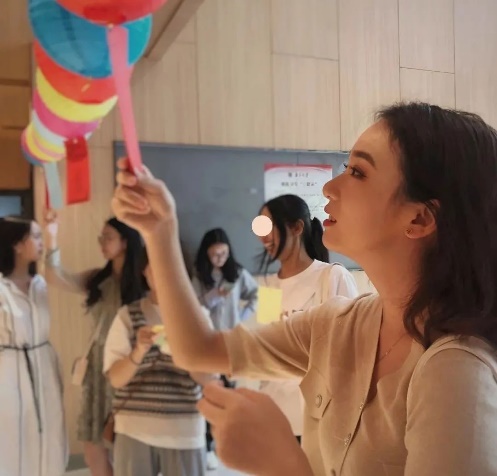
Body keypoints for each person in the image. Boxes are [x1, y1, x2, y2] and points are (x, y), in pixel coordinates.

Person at [111, 102, 497, 476]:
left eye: (358, 172)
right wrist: (160, 231)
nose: (329, 187)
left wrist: (282, 462)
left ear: (419, 218)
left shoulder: (455, 371)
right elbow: (200, 348)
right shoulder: (333, 323)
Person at [44, 215, 144, 476]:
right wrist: (51, 235)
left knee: (127, 445)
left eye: (108, 238)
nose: (102, 243)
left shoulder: (144, 282)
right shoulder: (98, 279)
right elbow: (55, 276)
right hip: (98, 367)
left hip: (131, 367)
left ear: (125, 241)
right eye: (101, 237)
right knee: (92, 444)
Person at [104, 247, 216, 476]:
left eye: (170, 265)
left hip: (184, 430)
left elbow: (209, 379)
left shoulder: (198, 317)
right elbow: (115, 379)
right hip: (134, 428)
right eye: (155, 265)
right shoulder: (127, 316)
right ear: (144, 271)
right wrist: (138, 351)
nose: (163, 272)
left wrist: (184, 352)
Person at [256, 194, 359, 442]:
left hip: (321, 420)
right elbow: (265, 352)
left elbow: (354, 349)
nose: (264, 237)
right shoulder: (269, 287)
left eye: (270, 226)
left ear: (297, 228)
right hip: (276, 417)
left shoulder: (331, 276)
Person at [0, 217, 67, 476]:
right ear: (17, 245)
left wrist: (53, 236)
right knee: (12, 439)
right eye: (36, 237)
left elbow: (57, 271)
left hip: (44, 367)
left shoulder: (41, 283)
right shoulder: (2, 288)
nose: (41, 242)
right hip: (8, 372)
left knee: (50, 433)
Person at [192, 227, 258, 469]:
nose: (219, 258)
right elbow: (192, 306)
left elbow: (256, 295)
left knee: (229, 394)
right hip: (206, 342)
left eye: (223, 253)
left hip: (231, 343)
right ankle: (208, 445)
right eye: (214, 254)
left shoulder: (237, 273)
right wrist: (215, 295)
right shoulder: (199, 275)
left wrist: (240, 316)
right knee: (208, 394)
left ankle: (227, 443)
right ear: (206, 254)